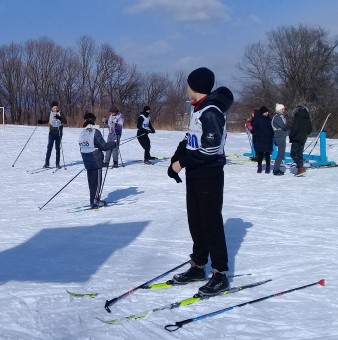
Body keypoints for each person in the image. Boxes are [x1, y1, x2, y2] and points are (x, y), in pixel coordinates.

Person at [167, 67, 234, 297]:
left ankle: (220, 274)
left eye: (188, 85)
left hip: (209, 174)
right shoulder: (198, 109)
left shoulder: (211, 111)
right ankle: (198, 266)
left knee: (211, 223)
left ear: (196, 87)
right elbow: (191, 138)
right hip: (195, 174)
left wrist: (183, 162)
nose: (186, 89)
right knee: (195, 221)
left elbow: (211, 148)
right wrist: (176, 158)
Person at [79, 112, 116, 209]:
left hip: (86, 159)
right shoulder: (95, 132)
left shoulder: (82, 132)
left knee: (91, 182)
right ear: (93, 120)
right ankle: (95, 201)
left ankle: (93, 200)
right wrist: (113, 144)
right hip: (96, 160)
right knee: (97, 182)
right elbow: (104, 146)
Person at [38, 101, 67, 169]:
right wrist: (41, 122)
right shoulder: (49, 113)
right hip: (51, 133)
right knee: (49, 148)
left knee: (57, 148)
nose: (55, 109)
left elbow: (65, 121)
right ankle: (47, 163)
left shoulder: (60, 113)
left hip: (59, 133)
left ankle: (57, 163)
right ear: (51, 108)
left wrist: (59, 118)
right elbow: (46, 120)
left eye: (56, 108)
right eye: (54, 108)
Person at [289, 105, 312, 177]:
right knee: (299, 154)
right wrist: (304, 134)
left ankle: (300, 168)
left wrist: (291, 135)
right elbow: (310, 129)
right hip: (303, 138)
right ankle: (300, 169)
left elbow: (294, 129)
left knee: (293, 154)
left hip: (296, 138)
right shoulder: (307, 117)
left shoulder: (298, 117)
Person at [252, 106, 274, 173]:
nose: (267, 113)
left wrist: (271, 134)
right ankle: (259, 167)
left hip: (268, 138)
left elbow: (272, 128)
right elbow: (254, 128)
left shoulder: (270, 119)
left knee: (267, 154)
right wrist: (258, 134)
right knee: (260, 153)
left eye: (268, 112)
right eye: (266, 112)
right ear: (263, 112)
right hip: (260, 138)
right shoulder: (258, 119)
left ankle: (268, 167)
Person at [271, 103, 288, 175]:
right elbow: (283, 126)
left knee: (281, 153)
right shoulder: (277, 117)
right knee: (281, 154)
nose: (284, 110)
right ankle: (276, 169)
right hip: (279, 136)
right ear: (279, 109)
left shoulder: (280, 116)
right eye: (282, 109)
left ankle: (276, 168)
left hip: (281, 136)